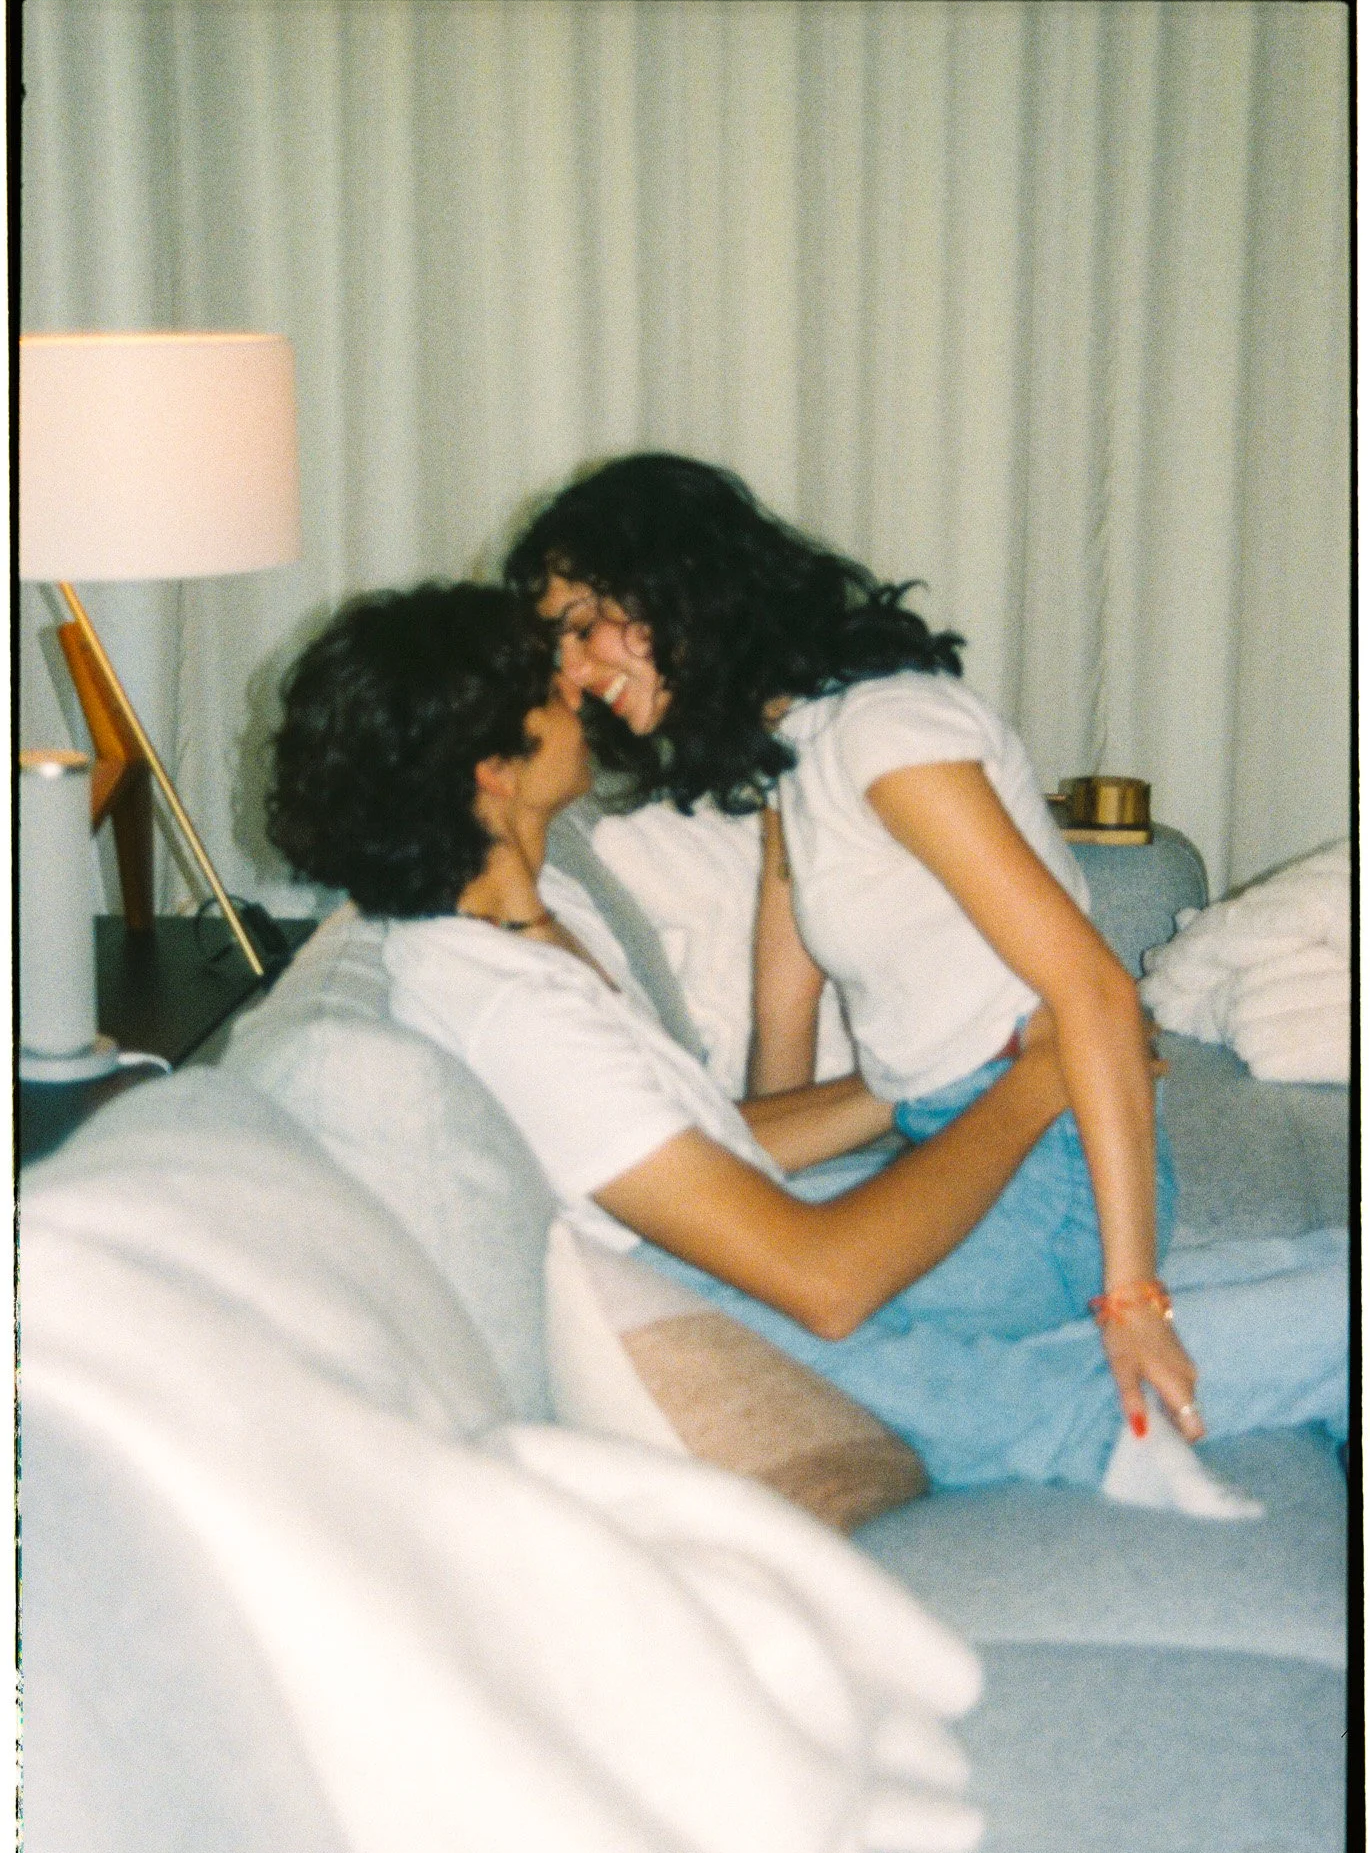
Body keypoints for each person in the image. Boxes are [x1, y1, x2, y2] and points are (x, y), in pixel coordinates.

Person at [265, 579, 1346, 1508]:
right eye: (543, 687)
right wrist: (1033, 1084)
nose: (576, 687)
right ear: (490, 767)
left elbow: (690, 1143)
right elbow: (819, 1280)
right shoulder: (503, 1011)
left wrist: (897, 1090)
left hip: (887, 1342)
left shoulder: (489, 947)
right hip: (977, 1397)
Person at [504, 454, 1184, 1446]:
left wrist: (1131, 1295)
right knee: (641, 1274)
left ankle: (1091, 1400)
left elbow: (1094, 990)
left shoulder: (887, 729)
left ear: (674, 587)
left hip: (1057, 1171)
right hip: (947, 1138)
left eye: (578, 624)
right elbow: (785, 1012)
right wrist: (757, 1201)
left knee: (697, 1314)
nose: (568, 670)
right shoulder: (797, 750)